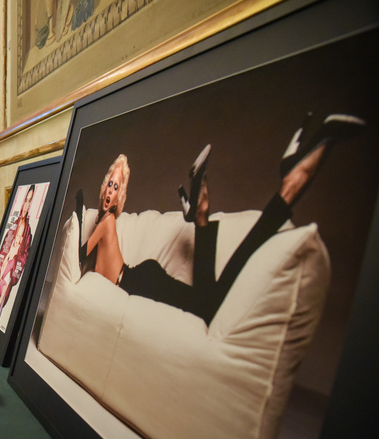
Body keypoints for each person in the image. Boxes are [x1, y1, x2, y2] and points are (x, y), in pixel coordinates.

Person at [79, 113, 366, 326]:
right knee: (210, 303)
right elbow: (87, 254)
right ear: (103, 186)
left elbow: (83, 254)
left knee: (209, 310)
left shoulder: (105, 222)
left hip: (139, 282)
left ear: (120, 195)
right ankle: (207, 213)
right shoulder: (102, 221)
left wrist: (80, 210)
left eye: (116, 187)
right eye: (109, 184)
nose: (109, 191)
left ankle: (221, 208)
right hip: (141, 279)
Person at [0, 184, 35, 325]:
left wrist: (15, 260)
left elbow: (25, 254)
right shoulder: (14, 225)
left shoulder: (28, 231)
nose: (26, 205)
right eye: (26, 200)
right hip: (3, 272)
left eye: (30, 201)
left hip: (9, 274)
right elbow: (4, 248)